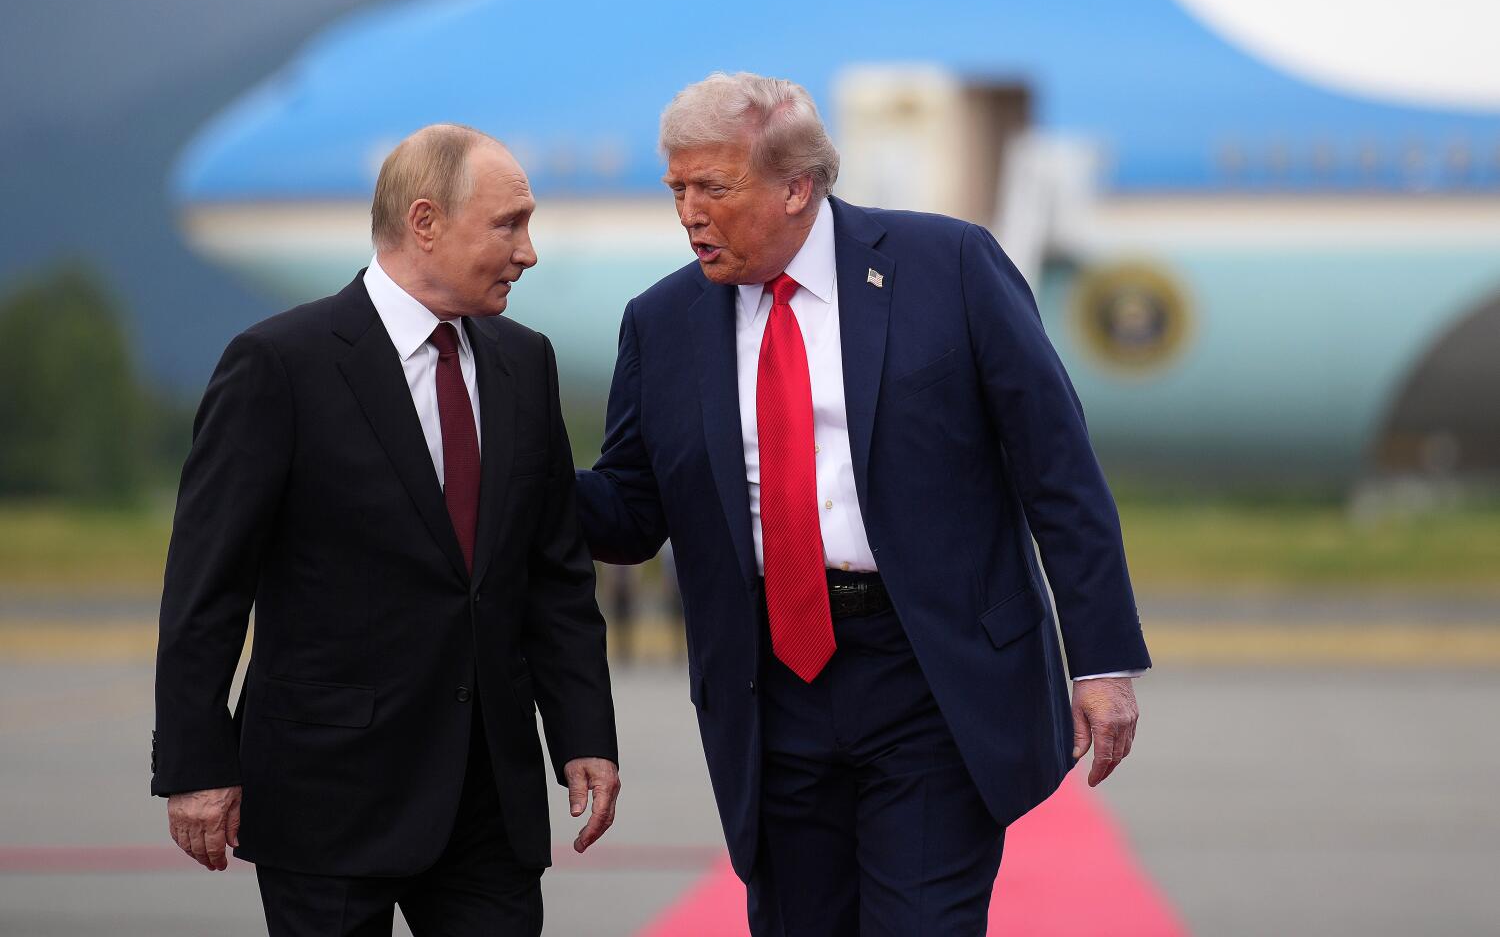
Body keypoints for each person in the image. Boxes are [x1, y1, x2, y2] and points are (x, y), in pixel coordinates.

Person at [575, 73, 1150, 936]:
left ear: (796, 186)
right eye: (677, 189)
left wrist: (1100, 661)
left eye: (713, 188)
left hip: (929, 672)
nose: (689, 212)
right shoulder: (661, 322)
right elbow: (628, 514)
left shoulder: (948, 266)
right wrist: (517, 464)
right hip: (770, 690)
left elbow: (1056, 468)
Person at [152, 124, 620, 937]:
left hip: (487, 800)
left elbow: (552, 573)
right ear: (426, 222)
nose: (529, 251)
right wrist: (196, 764)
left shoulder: (525, 362)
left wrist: (584, 731)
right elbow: (207, 585)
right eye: (508, 225)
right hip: (329, 796)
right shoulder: (279, 364)